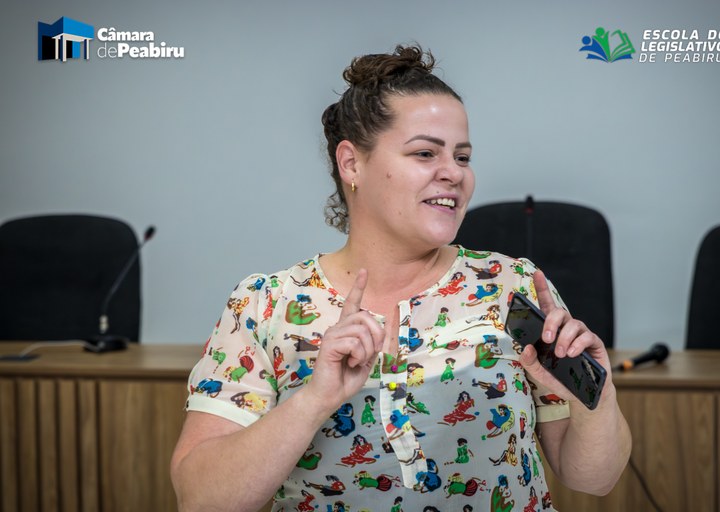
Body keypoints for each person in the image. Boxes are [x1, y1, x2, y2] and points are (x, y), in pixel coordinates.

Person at [170, 44, 631, 511]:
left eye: (463, 157)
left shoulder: (514, 286)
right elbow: (201, 501)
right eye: (425, 153)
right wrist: (313, 400)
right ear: (352, 163)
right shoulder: (263, 304)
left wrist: (597, 394)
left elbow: (594, 478)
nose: (454, 173)